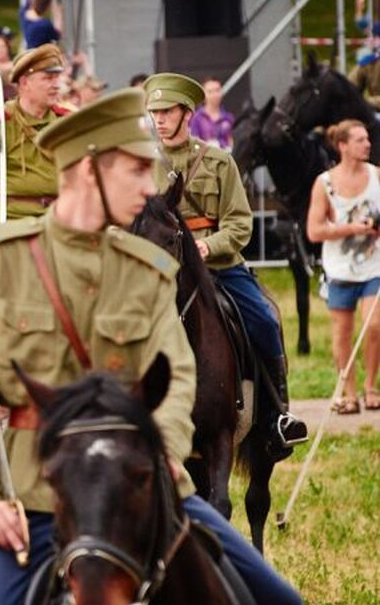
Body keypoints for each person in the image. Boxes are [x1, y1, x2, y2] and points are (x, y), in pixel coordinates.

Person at [0, 88, 306, 605]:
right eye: (135, 169)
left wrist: (167, 448)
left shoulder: (146, 267)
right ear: (87, 167)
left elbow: (177, 375)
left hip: (145, 496)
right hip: (36, 502)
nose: (149, 182)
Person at [146, 72, 307, 453]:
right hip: (162, 270)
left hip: (218, 267)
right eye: (155, 112)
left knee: (265, 320)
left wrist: (206, 247)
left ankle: (275, 416)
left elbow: (239, 222)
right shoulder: (142, 167)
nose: (160, 120)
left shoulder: (219, 162)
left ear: (188, 113)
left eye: (167, 111)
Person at [306, 118, 380, 414]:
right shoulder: (325, 183)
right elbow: (314, 231)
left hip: (374, 266)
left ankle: (371, 387)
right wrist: (350, 228)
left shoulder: (376, 176)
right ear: (343, 146)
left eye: (367, 139)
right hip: (339, 269)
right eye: (360, 139)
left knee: (374, 325)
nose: (368, 143)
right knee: (342, 334)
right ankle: (348, 394)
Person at [0, 44, 68, 235]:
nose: (56, 84)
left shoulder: (67, 122)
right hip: (13, 228)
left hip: (62, 224)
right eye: (48, 78)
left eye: (57, 77)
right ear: (24, 83)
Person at [189, 77, 234, 151]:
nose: (215, 95)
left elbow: (232, 142)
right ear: (204, 94)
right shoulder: (196, 118)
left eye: (217, 90)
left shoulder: (228, 118)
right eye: (210, 91)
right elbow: (194, 144)